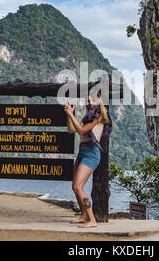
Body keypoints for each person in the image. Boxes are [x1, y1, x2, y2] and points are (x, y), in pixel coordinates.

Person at [64, 94, 112, 228]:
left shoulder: (100, 116)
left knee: (77, 187)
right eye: (88, 101)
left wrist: (70, 114)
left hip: (92, 153)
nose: (90, 103)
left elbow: (82, 130)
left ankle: (92, 220)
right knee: (76, 187)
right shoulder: (86, 118)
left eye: (93, 101)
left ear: (99, 102)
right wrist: (70, 115)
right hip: (82, 150)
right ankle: (84, 216)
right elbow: (71, 129)